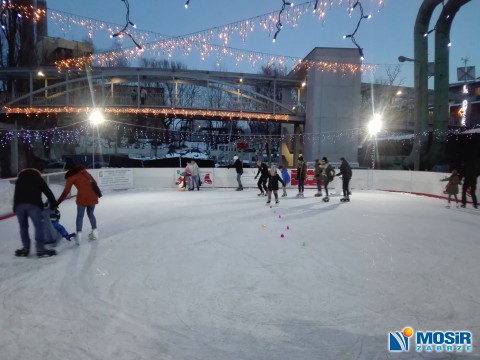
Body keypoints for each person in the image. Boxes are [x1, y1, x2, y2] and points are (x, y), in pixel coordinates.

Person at [13, 168, 57, 257]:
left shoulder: (19, 180)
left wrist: (15, 207)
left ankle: (26, 248)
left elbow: (16, 194)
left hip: (19, 206)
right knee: (38, 226)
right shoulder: (38, 179)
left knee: (23, 227)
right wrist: (53, 203)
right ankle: (40, 249)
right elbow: (47, 191)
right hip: (33, 205)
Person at [57, 162, 100, 245]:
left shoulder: (71, 176)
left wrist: (57, 202)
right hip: (93, 196)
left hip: (82, 198)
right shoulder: (84, 172)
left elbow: (66, 191)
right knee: (91, 214)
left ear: (69, 169)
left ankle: (79, 236)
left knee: (80, 216)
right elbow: (94, 182)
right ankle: (95, 233)